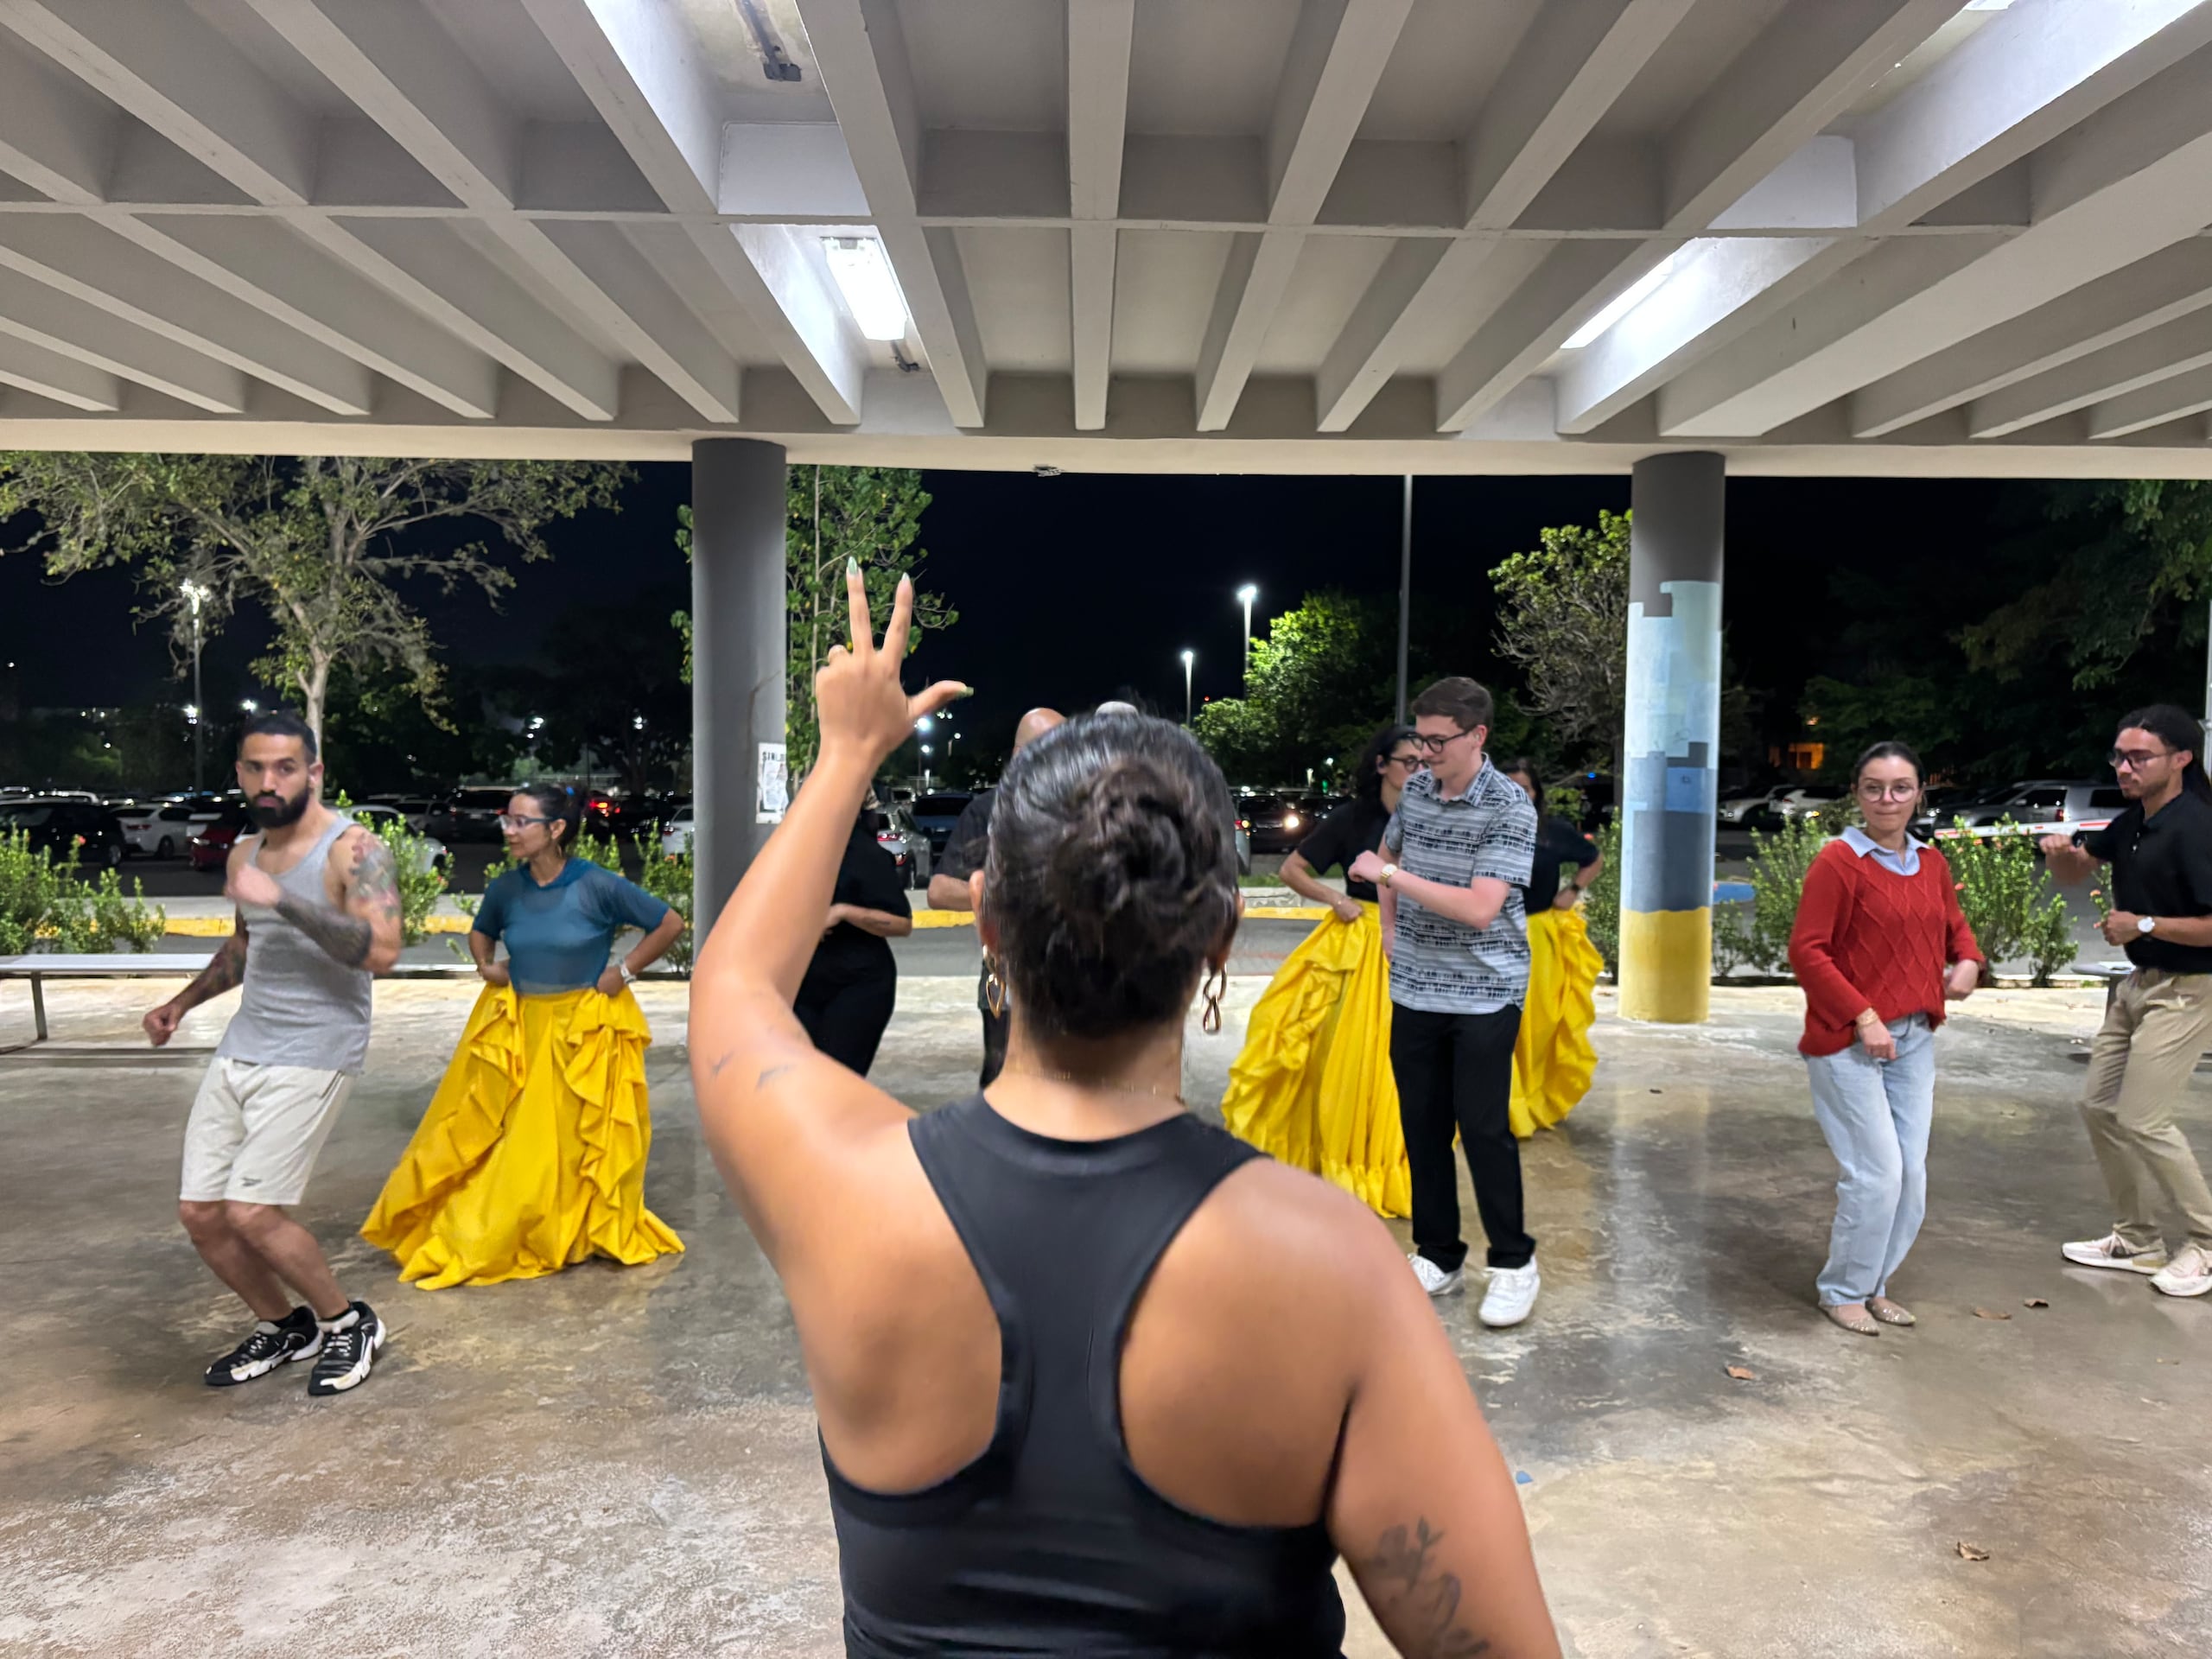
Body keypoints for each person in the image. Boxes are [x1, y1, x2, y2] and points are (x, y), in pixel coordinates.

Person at [688, 572, 1560, 1657]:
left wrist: (848, 754)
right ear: (1221, 944)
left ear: (991, 931)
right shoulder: (1329, 1266)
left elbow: (732, 992)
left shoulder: (845, 1192)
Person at [143, 711, 401, 1395]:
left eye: (285, 766)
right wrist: (183, 1003)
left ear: (314, 772)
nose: (269, 780)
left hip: (318, 1046)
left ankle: (349, 1323)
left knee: (252, 1212)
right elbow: (246, 946)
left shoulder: (355, 851)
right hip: (245, 1042)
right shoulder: (243, 855)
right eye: (255, 767)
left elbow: (381, 952)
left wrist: (284, 899)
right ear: (239, 774)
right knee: (201, 1212)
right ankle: (286, 1325)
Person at [361, 783, 686, 1288]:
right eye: (506, 820)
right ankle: (520, 1227)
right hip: (522, 1031)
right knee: (516, 1143)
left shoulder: (596, 884)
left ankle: (575, 1231)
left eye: (521, 822)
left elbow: (668, 922)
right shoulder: (507, 888)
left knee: (577, 1146)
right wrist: (486, 965)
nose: (508, 831)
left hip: (583, 1030)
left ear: (556, 829)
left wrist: (623, 972)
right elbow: (481, 929)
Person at [1350, 677, 1542, 1329]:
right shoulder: (1419, 793)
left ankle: (1514, 1263)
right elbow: (1389, 852)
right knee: (1422, 1124)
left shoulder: (1509, 807)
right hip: (1417, 987)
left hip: (1488, 990)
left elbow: (1482, 908)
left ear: (1476, 736)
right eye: (1419, 741)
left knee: (1484, 1128)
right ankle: (1438, 1252)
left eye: (1437, 742)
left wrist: (1390, 879)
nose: (1424, 754)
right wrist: (1388, 927)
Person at [1787, 742, 1982, 1336]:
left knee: (1911, 1177)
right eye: (1874, 787)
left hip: (1916, 1037)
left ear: (1920, 793)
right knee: (1876, 1173)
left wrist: (1970, 961)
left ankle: (1874, 1284)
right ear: (1857, 794)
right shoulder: (1840, 863)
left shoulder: (1931, 863)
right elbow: (1808, 952)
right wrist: (1863, 1016)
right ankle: (1842, 1290)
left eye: (1900, 788)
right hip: (1847, 1041)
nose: (1887, 799)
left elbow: (1957, 930)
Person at [2041, 703, 2212, 1299]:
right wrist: (2063, 853)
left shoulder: (2198, 826)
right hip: (2137, 988)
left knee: (2143, 1119)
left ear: (2182, 759)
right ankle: (2138, 1240)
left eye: (2140, 756)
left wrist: (2142, 924)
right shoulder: (2135, 820)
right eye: (2119, 755)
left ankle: (2208, 1244)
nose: (2124, 767)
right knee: (2099, 1108)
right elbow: (2075, 872)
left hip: (2189, 990)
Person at [1219, 723, 1421, 1216]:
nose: (1418, 770)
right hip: (1363, 945)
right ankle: (1344, 1160)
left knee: (1409, 1068)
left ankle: (1396, 1160)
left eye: (1424, 762)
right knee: (1352, 1058)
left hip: (1419, 947)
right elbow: (1292, 869)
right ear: (1382, 766)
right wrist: (1335, 899)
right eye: (1408, 761)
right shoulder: (1355, 818)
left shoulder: (1433, 816)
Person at [926, 706, 1065, 1086]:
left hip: (1077, 982)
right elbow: (939, 891)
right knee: (1002, 1083)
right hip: (1006, 983)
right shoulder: (986, 811)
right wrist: (1007, 893)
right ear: (1022, 756)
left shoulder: (1083, 810)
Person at [1498, 760, 1605, 1140]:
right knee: (1491, 1027)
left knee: (1536, 1022)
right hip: (1486, 936)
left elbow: (1592, 859)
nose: (1514, 794)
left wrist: (1573, 890)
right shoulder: (1477, 829)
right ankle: (1497, 1106)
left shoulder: (1553, 833)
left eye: (1523, 788)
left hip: (1536, 936)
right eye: (1505, 786)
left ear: (1535, 793)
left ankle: (1534, 1099)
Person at [795, 799, 913, 1075]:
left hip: (858, 985)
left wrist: (843, 912)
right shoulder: (802, 853)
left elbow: (902, 924)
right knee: (801, 1078)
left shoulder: (865, 854)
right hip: (805, 984)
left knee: (834, 1079)